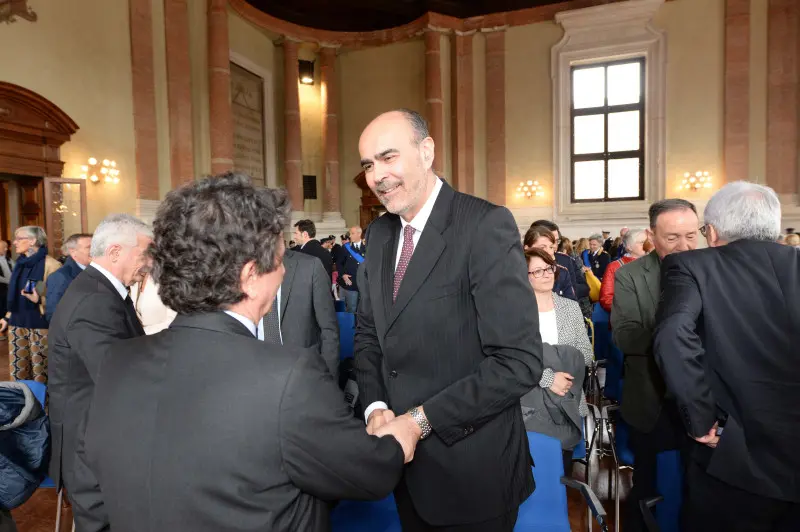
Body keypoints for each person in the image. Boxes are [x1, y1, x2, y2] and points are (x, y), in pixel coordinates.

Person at [84, 173, 411, 532]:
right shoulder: (288, 377)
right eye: (280, 259)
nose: (284, 271)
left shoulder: (118, 361)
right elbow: (365, 475)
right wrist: (400, 435)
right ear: (251, 276)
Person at [354, 109, 543, 531]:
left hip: (473, 472)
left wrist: (418, 421)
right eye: (368, 164)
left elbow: (518, 362)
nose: (377, 176)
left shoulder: (484, 225)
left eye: (388, 157)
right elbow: (369, 333)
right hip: (404, 470)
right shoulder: (380, 235)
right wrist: (376, 405)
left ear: (426, 151)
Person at [654, 182, 800, 531]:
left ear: (713, 231)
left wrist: (700, 417)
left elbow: (673, 335)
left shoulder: (690, 266)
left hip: (735, 456)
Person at [47, 214, 152, 532]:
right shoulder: (95, 299)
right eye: (145, 252)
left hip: (98, 441)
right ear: (117, 251)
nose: (149, 262)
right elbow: (117, 376)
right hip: (93, 450)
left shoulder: (101, 290)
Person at [610, 199, 699, 532]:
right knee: (647, 488)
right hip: (651, 401)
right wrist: (678, 338)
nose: (684, 245)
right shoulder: (631, 275)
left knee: (697, 489)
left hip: (703, 399)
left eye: (691, 235)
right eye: (672, 237)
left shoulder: (712, 267)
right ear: (651, 235)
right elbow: (625, 335)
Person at [521, 248, 592, 474]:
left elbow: (585, 354)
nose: (547, 274)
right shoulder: (516, 312)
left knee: (560, 475)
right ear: (524, 275)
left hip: (566, 401)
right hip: (526, 404)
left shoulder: (570, 307)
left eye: (549, 268)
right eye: (538, 271)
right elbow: (512, 358)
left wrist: (548, 360)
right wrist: (548, 377)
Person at [258, 248, 339, 378]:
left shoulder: (310, 267)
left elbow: (329, 331)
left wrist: (328, 383)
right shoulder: (234, 268)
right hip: (256, 375)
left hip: (303, 376)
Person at [0, 226, 61, 383]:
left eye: (19, 239)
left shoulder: (51, 265)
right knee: (18, 374)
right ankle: (23, 406)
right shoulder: (19, 264)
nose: (14, 242)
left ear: (33, 241)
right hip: (16, 325)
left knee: (41, 374)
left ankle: (43, 407)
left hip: (39, 327)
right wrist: (7, 317)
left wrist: (39, 300)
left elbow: (60, 299)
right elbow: (14, 296)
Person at [532, 219, 590, 303]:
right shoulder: (521, 263)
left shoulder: (565, 261)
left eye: (556, 241)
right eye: (550, 240)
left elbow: (575, 293)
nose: (554, 246)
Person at [598, 228, 650, 313]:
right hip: (626, 320)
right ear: (629, 246)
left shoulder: (654, 263)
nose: (647, 246)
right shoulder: (614, 267)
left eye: (648, 242)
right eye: (642, 243)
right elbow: (606, 298)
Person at [44, 233, 93, 322]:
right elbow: (54, 315)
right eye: (89, 247)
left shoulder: (97, 272)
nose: (95, 251)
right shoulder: (60, 277)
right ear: (73, 252)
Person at [524, 225, 576, 300]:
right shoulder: (517, 275)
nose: (549, 252)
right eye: (542, 247)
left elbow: (572, 304)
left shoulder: (562, 273)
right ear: (527, 248)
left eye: (551, 247)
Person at [337, 226, 365, 313]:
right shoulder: (346, 247)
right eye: (350, 234)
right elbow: (339, 263)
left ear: (359, 234)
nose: (350, 236)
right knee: (351, 309)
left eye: (352, 233)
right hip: (350, 284)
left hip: (364, 284)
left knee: (363, 309)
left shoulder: (368, 247)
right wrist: (343, 275)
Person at [0, 240, 12, 337]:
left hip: (8, 290)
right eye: (4, 247)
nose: (6, 249)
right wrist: (10, 281)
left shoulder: (8, 259)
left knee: (6, 308)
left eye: (6, 247)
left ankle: (6, 329)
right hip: (1, 289)